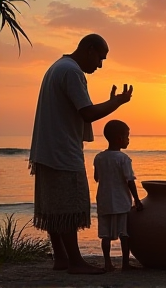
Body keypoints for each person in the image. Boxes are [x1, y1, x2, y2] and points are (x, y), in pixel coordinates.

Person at [29, 33, 134, 274]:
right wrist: (116, 103)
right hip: (62, 151)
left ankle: (62, 258)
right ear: (89, 49)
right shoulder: (72, 72)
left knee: (53, 206)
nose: (100, 64)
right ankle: (75, 262)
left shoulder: (57, 67)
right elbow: (87, 113)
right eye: (100, 58)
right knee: (68, 206)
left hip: (46, 149)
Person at [93, 120, 143, 271]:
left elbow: (97, 178)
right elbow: (130, 180)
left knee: (105, 235)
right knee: (124, 234)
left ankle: (108, 263)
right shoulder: (123, 159)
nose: (128, 139)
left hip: (104, 201)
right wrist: (137, 199)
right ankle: (125, 264)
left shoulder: (99, 157)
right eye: (127, 136)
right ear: (119, 139)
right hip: (121, 202)